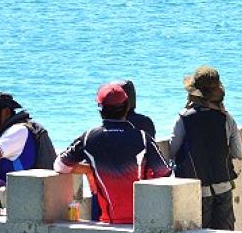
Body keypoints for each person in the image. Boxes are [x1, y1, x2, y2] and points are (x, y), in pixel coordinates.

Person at [54, 82, 171, 224]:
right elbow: (164, 172)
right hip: (141, 220)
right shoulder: (142, 137)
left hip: (108, 222)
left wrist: (89, 169)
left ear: (100, 110)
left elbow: (60, 165)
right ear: (127, 107)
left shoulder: (89, 137)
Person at [170, 66, 242, 230]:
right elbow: (238, 152)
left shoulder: (183, 118)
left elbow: (173, 150)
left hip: (197, 189)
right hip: (223, 186)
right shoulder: (226, 118)